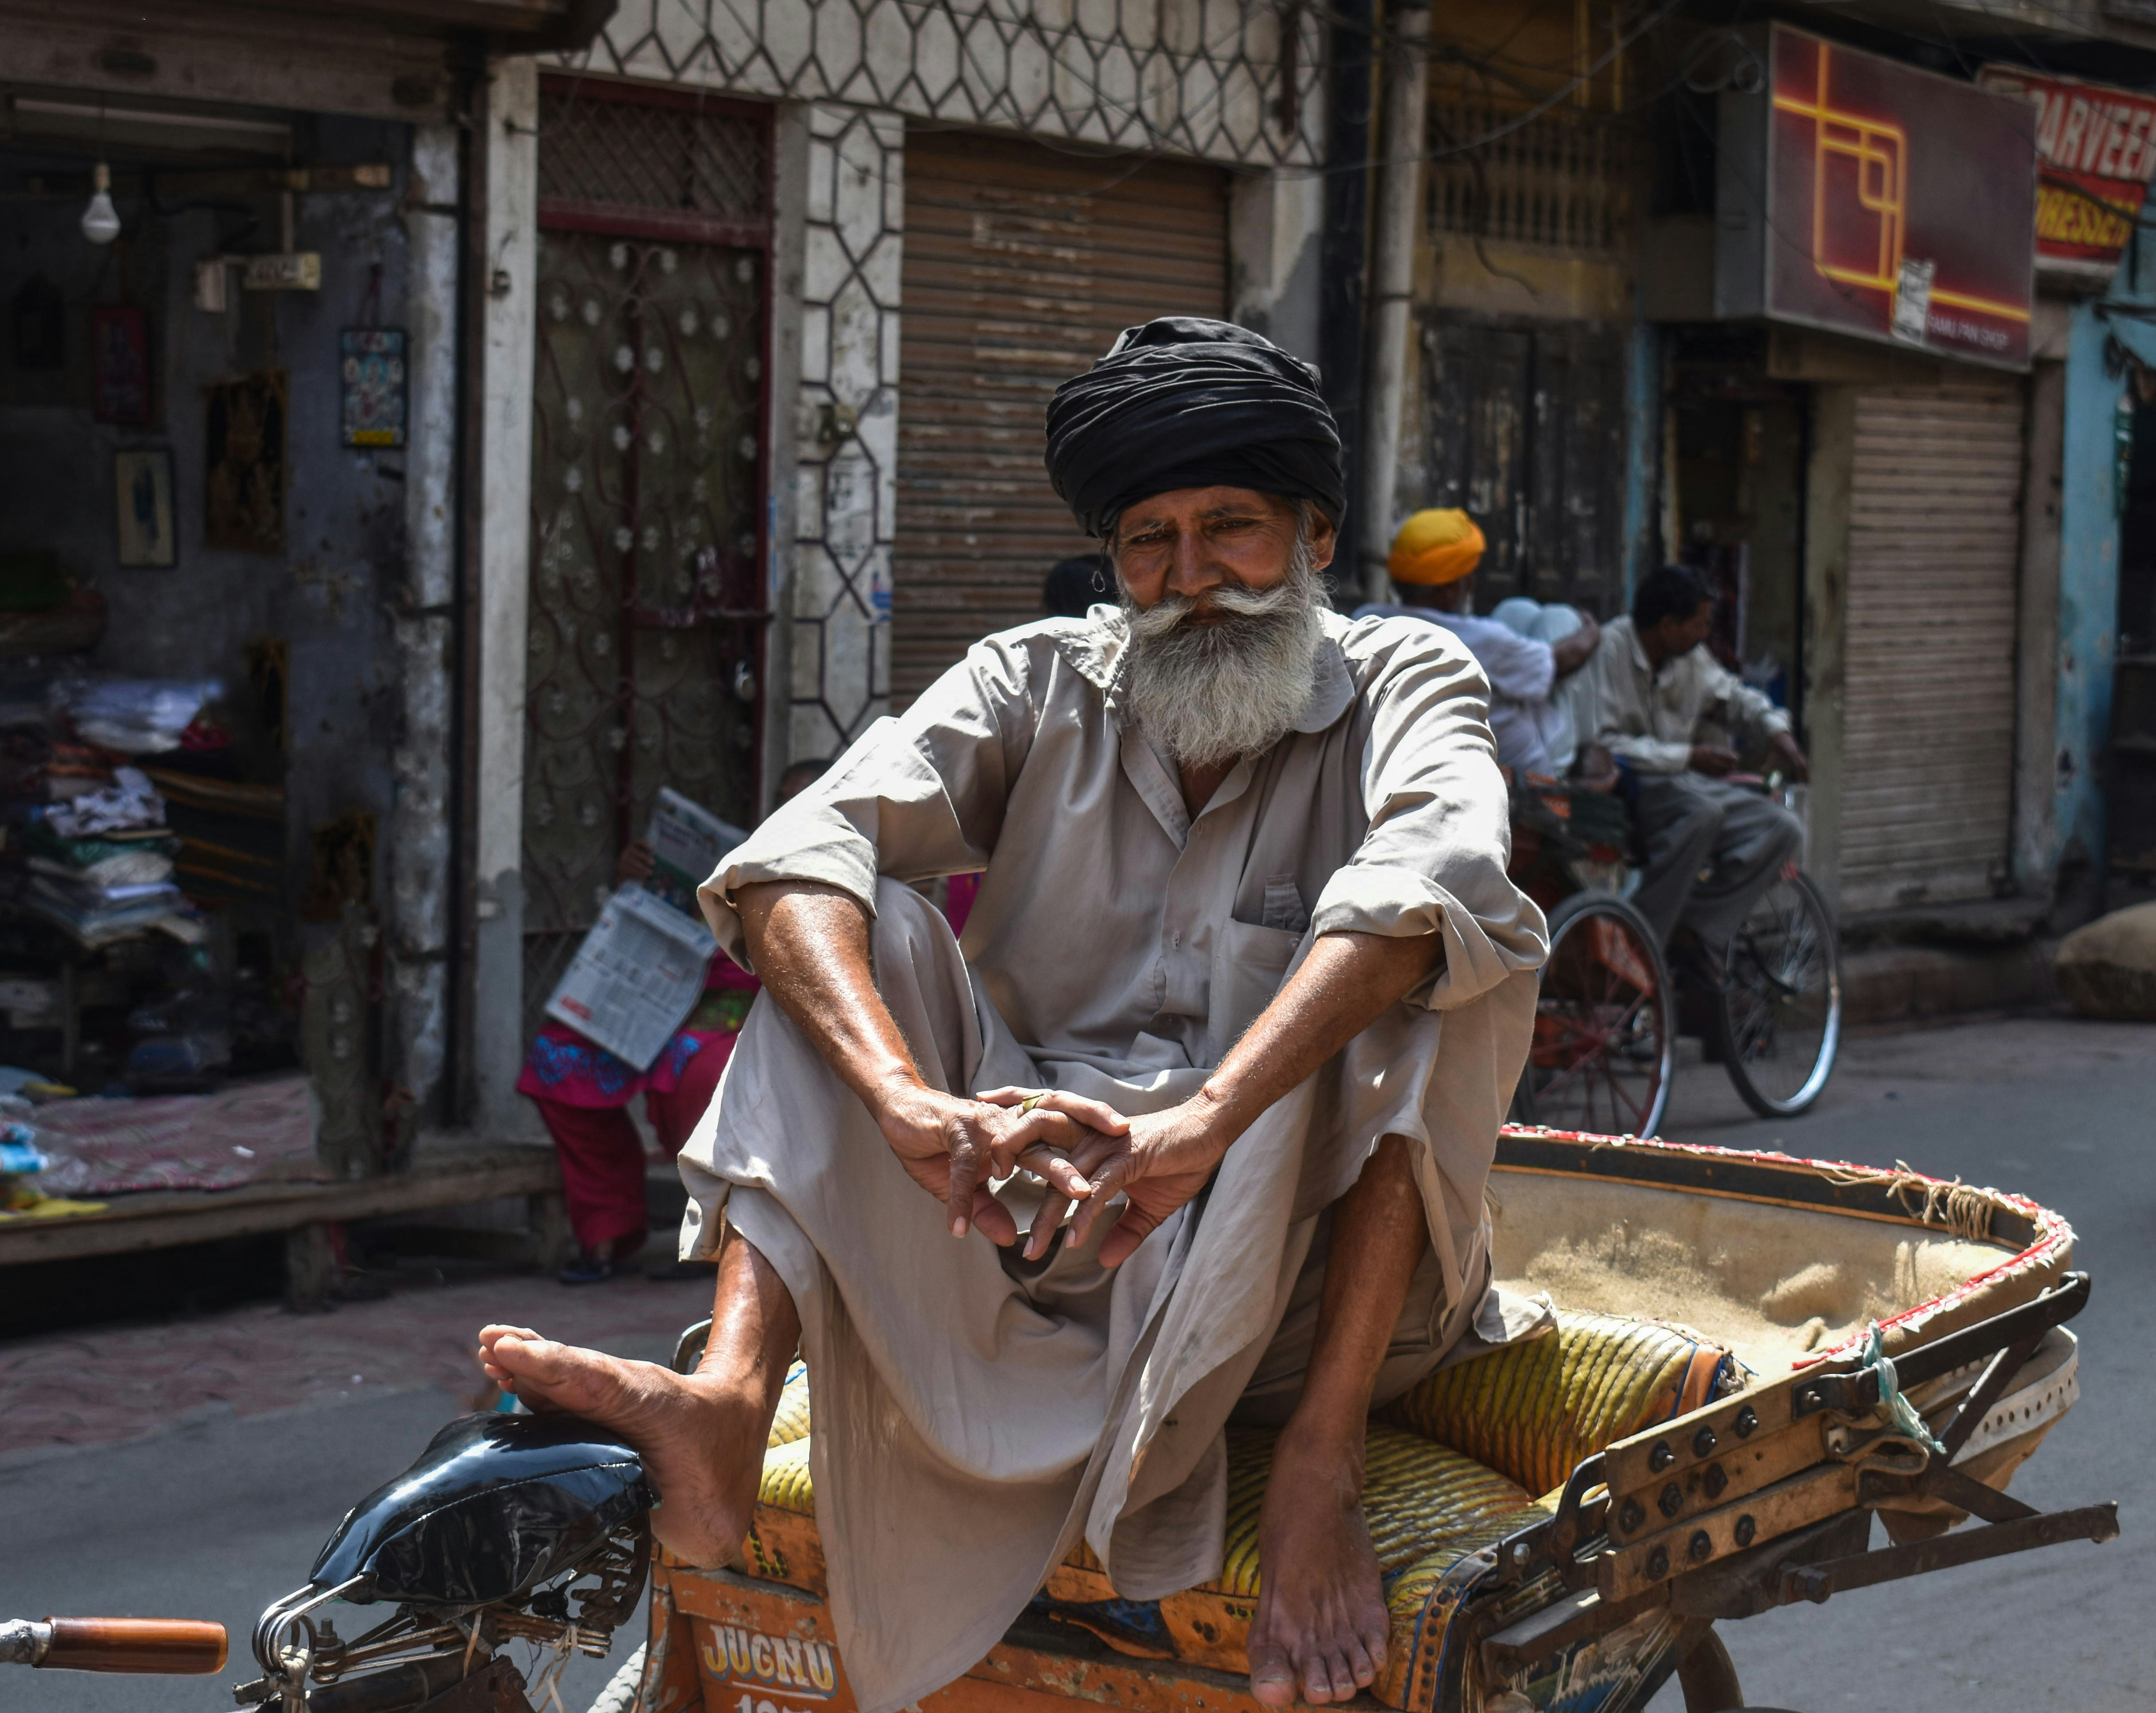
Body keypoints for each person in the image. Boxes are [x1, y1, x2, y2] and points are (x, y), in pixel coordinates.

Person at [474, 317, 1547, 1712]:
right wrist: (909, 1104)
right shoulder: (1037, 675)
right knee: (841, 933)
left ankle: (1317, 1466)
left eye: (1229, 527)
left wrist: (1204, 1123)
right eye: (1147, 541)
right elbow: (802, 850)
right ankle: (727, 1401)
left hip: (1292, 1276)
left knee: (1417, 965)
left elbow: (1436, 876)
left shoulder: (1406, 678)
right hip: (1028, 1235)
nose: (1187, 576)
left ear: (1314, 540)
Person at [516, 758, 831, 1282]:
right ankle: (608, 1229)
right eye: (783, 797)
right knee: (562, 1058)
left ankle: (719, 1239)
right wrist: (636, 878)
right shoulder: (743, 852)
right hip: (659, 986)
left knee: (694, 1073)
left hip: (740, 1005)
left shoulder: (845, 865)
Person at [1578, 563, 1810, 975]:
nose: (1705, 633)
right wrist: (1688, 756)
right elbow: (1605, 743)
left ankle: (1697, 927)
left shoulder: (1690, 659)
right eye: (1699, 623)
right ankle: (1641, 937)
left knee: (1782, 828)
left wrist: (1778, 731)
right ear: (1669, 626)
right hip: (1632, 784)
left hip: (1683, 782)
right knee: (1702, 813)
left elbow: (1732, 697)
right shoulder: (1611, 650)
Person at [1357, 508, 1600, 778]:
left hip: (1411, 757)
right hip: (1522, 773)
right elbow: (1562, 661)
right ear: (1449, 591)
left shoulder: (1367, 620)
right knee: (1561, 620)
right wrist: (1591, 628)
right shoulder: (1482, 640)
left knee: (1517, 611)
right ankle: (1587, 758)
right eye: (1468, 579)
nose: (1472, 586)